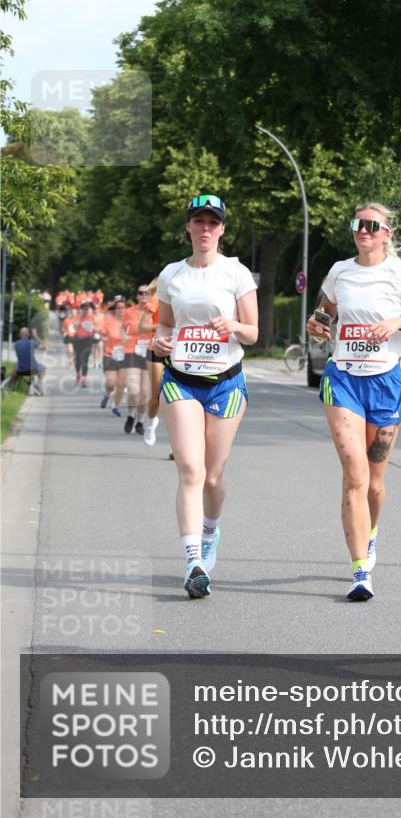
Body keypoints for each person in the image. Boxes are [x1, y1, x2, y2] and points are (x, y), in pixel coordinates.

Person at [307, 202, 401, 601]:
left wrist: (399, 322)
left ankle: (372, 532)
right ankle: (360, 570)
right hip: (343, 378)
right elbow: (322, 314)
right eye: (357, 224)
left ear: (387, 234)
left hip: (385, 381)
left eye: (372, 225)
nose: (363, 230)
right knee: (355, 475)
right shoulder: (339, 272)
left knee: (375, 485)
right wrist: (317, 325)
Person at [152, 194, 258, 599]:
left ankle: (211, 529)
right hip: (180, 380)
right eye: (198, 221)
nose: (205, 229)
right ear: (188, 227)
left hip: (226, 384)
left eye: (213, 223)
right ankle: (193, 561)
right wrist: (160, 343)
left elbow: (252, 332)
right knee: (191, 469)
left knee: (213, 475)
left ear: (222, 230)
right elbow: (163, 323)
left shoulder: (236, 273)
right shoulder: (171, 275)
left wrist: (232, 324)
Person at [121, 286, 153, 435]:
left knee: (145, 393)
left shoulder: (155, 311)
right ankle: (131, 415)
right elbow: (122, 328)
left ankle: (140, 420)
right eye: (140, 293)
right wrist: (124, 336)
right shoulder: (129, 312)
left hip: (149, 352)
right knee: (133, 390)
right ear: (137, 296)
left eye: (147, 293)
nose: (144, 295)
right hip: (132, 351)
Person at [137, 278, 162, 446]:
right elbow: (142, 327)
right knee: (156, 398)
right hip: (157, 349)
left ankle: (177, 447)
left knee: (180, 401)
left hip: (182, 351)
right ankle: (151, 423)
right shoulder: (155, 300)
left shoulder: (188, 299)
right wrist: (164, 326)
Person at [100, 297, 127, 416]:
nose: (121, 310)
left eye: (123, 308)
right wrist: (105, 339)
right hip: (110, 354)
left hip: (125, 356)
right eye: (118, 308)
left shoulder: (130, 323)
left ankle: (115, 406)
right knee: (111, 383)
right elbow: (102, 335)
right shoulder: (108, 321)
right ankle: (107, 394)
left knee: (121, 384)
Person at [69, 301, 96, 387]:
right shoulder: (77, 317)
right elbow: (74, 327)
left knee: (85, 359)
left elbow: (95, 328)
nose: (86, 310)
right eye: (84, 309)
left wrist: (93, 329)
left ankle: (84, 379)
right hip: (78, 339)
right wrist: (80, 317)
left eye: (87, 309)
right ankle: (78, 374)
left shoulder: (92, 317)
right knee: (78, 360)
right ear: (81, 309)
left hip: (88, 340)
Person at [12, 327, 45, 394]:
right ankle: (38, 383)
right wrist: (35, 336)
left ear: (19, 334)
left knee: (16, 367)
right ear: (28, 335)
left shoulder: (16, 344)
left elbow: (21, 356)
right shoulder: (32, 342)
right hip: (33, 370)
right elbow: (44, 347)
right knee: (44, 368)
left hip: (21, 371)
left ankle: (13, 388)